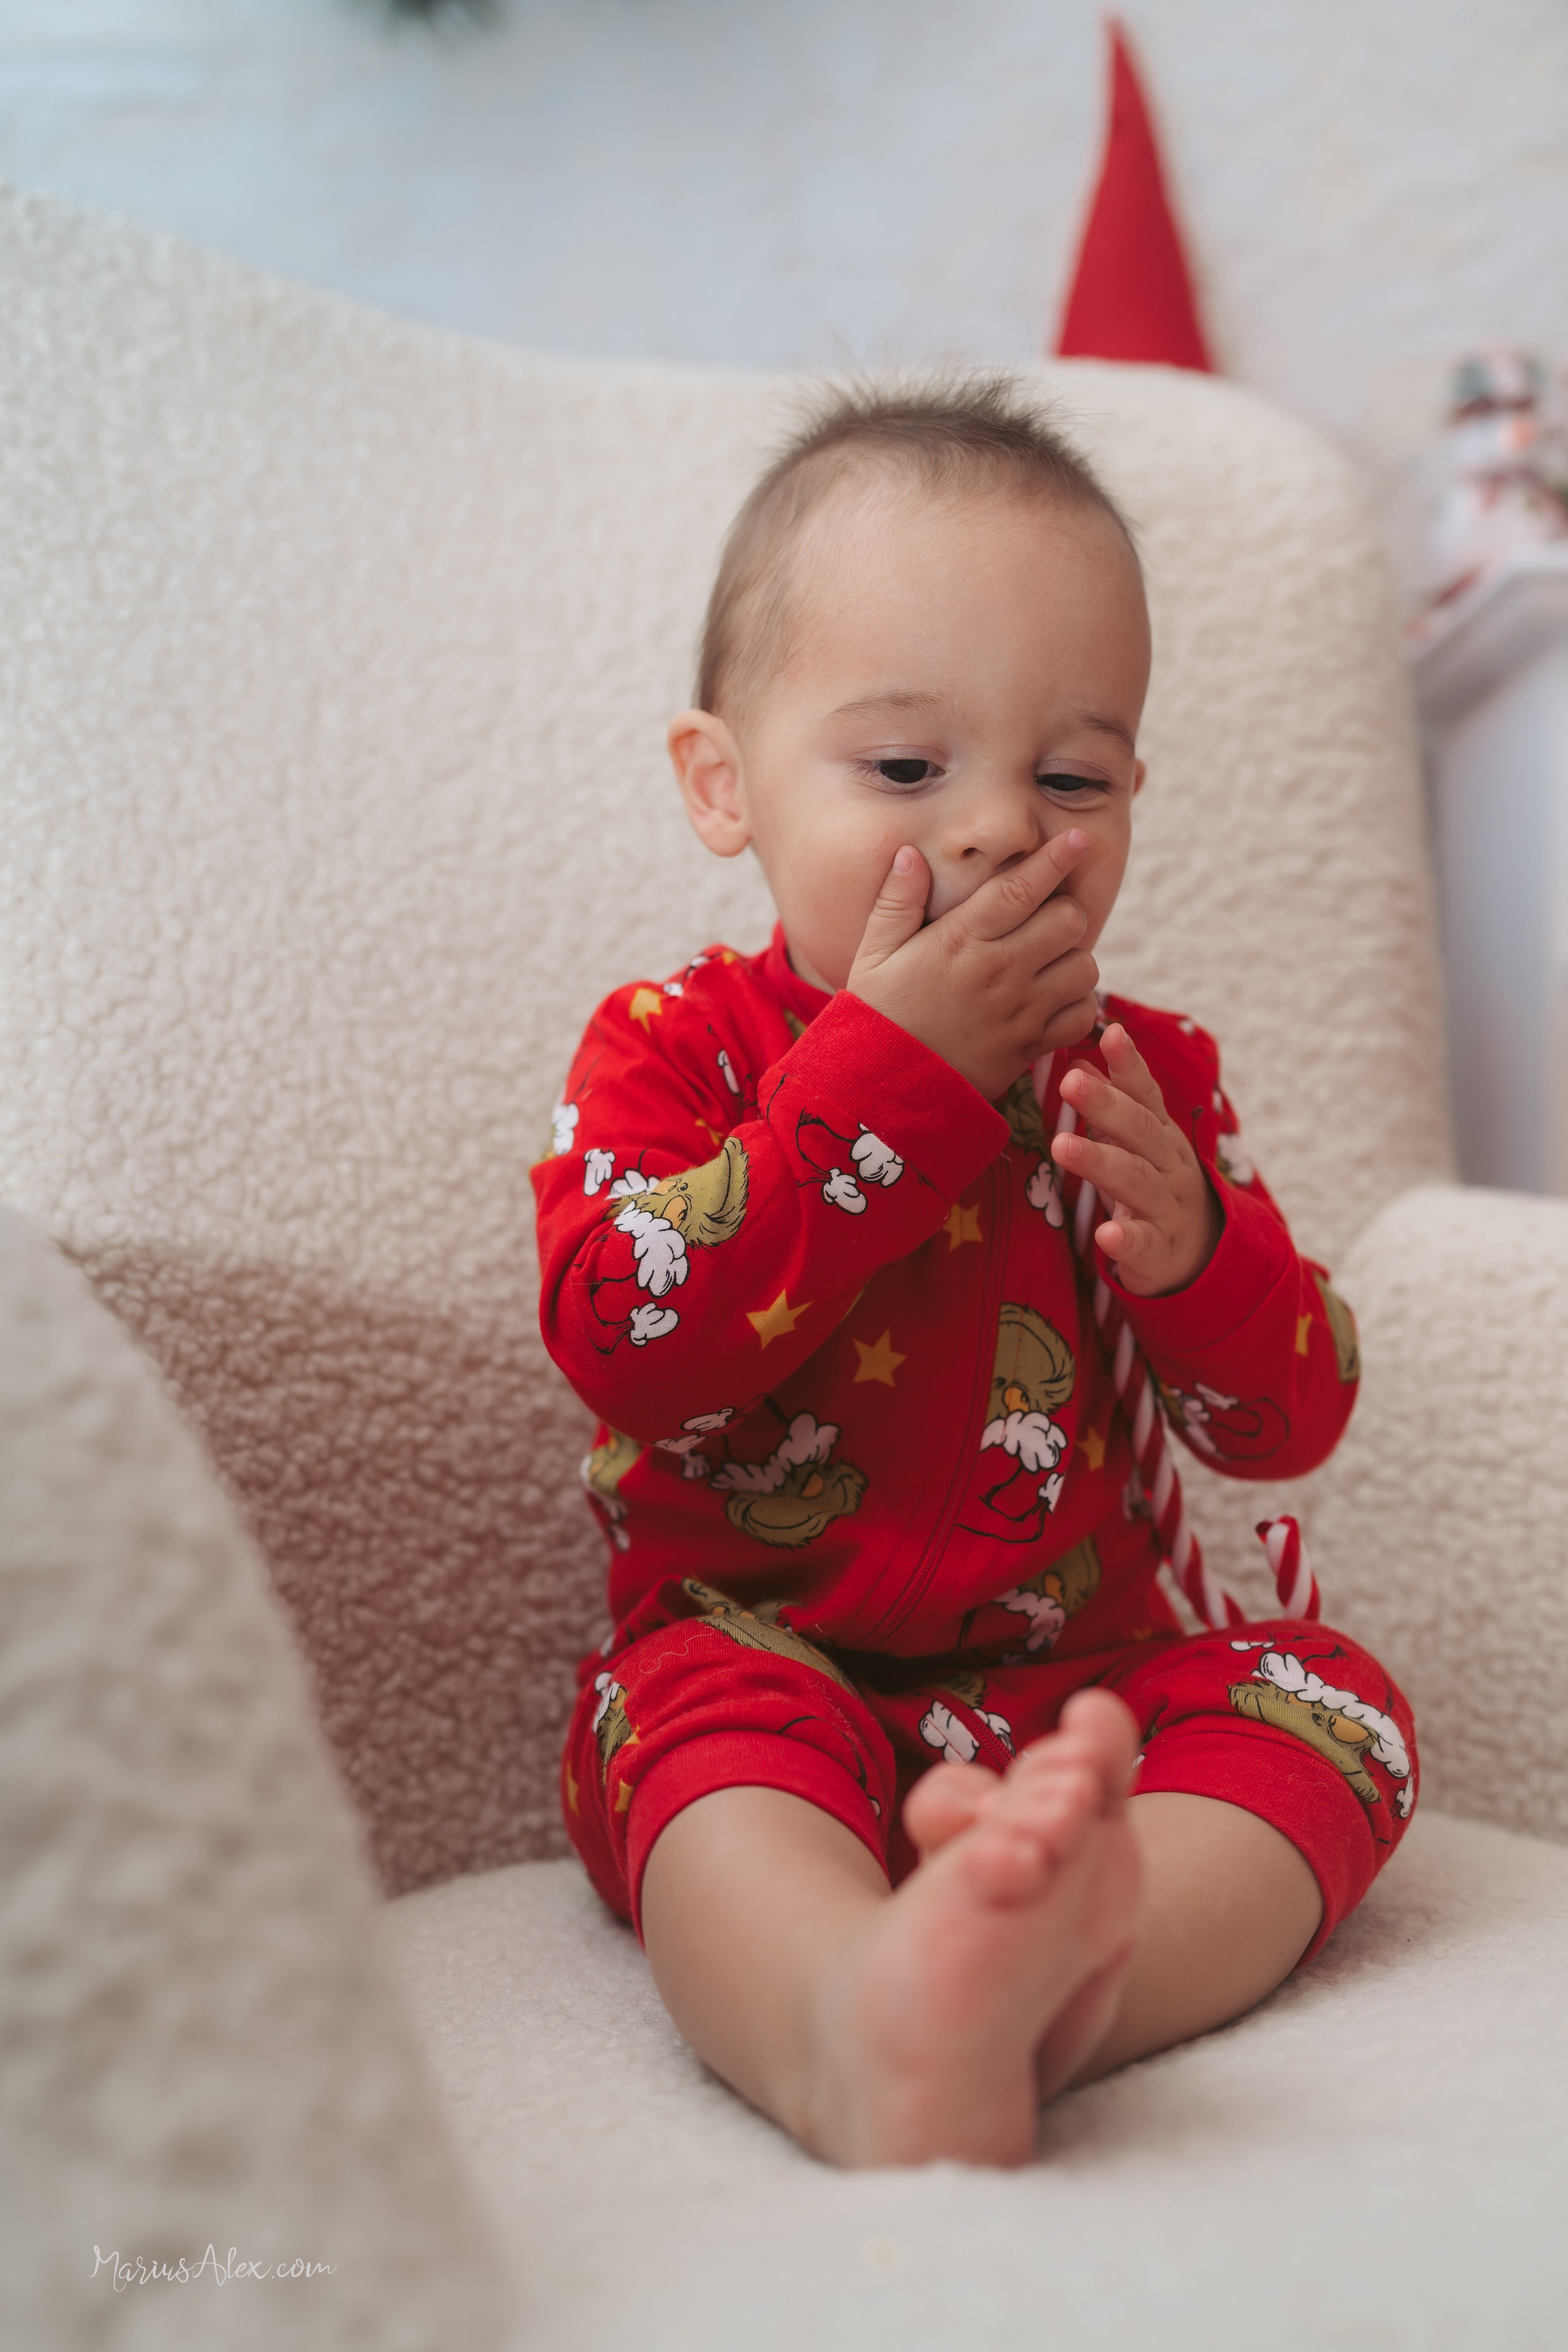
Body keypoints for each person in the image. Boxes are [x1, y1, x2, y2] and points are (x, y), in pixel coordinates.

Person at [533, 379, 1416, 2168]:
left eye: (1071, 774)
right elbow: (626, 1335)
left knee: (1338, 1706)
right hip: (765, 1663)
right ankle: (851, 2023)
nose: (1006, 826)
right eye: (911, 770)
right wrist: (893, 1080)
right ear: (728, 784)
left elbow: (1287, 1415)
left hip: (1080, 1693)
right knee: (694, 1758)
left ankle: (1089, 1973)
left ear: (1133, 794)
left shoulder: (1142, 1074)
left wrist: (1200, 1258)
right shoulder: (673, 1051)